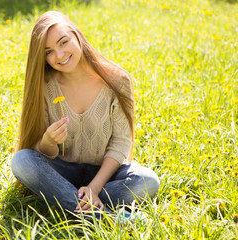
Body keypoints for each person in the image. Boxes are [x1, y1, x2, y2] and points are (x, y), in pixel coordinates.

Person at [11, 11, 159, 221]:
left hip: (105, 175)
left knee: (148, 181)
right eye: (49, 52)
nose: (59, 55)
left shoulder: (117, 81)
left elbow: (121, 142)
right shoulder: (44, 86)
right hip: (62, 172)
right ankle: (107, 219)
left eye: (64, 42)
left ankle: (62, 200)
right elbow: (41, 152)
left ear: (77, 35)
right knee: (22, 160)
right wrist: (48, 141)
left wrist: (94, 188)